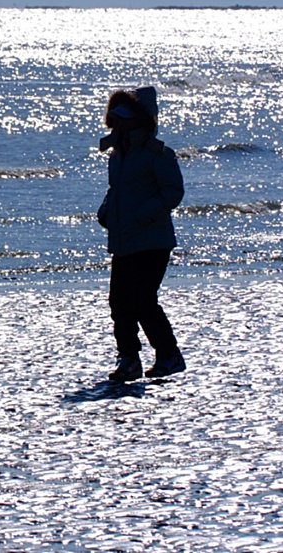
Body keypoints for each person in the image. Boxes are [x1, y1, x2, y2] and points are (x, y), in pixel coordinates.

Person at [97, 86, 186, 381]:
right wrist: (107, 211)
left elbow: (172, 193)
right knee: (119, 302)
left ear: (141, 120)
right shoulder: (118, 152)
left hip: (152, 240)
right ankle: (129, 359)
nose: (120, 123)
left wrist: (140, 216)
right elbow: (117, 190)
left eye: (126, 118)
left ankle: (169, 355)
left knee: (143, 300)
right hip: (124, 239)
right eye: (117, 118)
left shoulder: (157, 154)